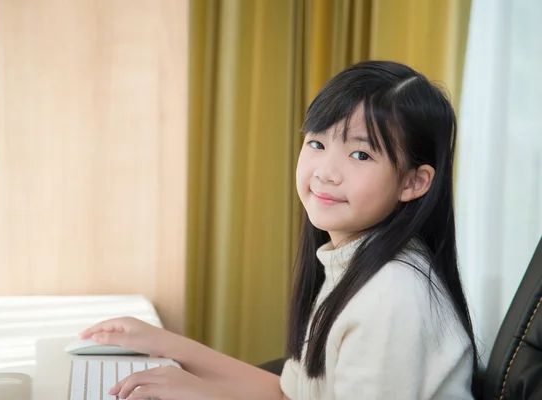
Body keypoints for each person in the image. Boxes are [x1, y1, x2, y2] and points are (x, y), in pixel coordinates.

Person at [79, 60, 478, 400]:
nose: (325, 172)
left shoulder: (393, 297)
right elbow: (290, 392)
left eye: (360, 153)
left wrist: (205, 393)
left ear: (413, 182)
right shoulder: (355, 263)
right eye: (317, 143)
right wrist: (164, 345)